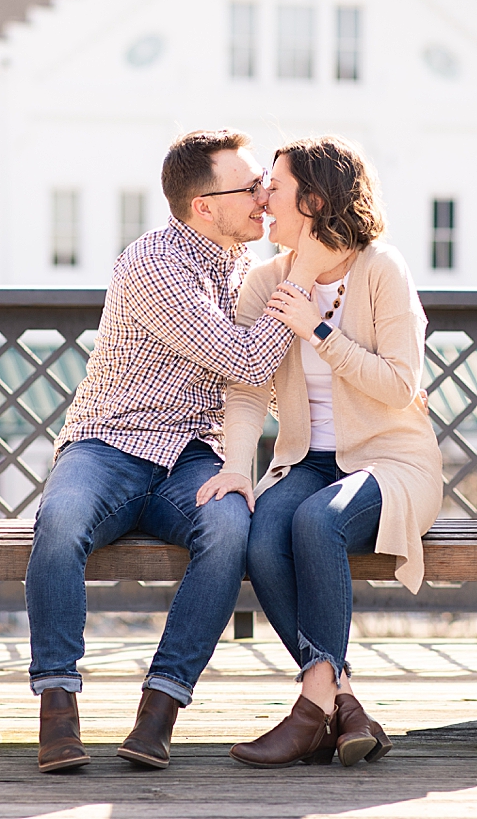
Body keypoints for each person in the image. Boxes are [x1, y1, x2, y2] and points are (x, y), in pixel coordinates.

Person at [26, 129, 345, 773]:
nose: (264, 198)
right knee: (58, 525)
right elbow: (248, 361)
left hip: (192, 455)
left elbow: (266, 386)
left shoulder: (247, 271)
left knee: (230, 531)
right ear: (205, 206)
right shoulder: (152, 264)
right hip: (109, 441)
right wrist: (299, 288)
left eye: (265, 184)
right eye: (250, 187)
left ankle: (160, 707)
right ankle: (57, 703)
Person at [204, 135, 443, 768]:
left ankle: (311, 708)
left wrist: (318, 329)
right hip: (308, 460)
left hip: (391, 457)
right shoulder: (267, 281)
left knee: (318, 521)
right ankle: (343, 702)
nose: (262, 200)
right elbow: (247, 387)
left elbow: (399, 385)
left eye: (273, 189)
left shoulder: (380, 269)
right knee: (261, 536)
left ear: (312, 200)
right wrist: (237, 468)